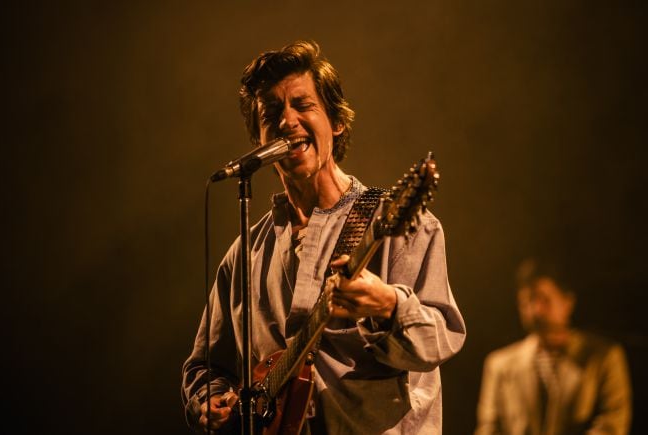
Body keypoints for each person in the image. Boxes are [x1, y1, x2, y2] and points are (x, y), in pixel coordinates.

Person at [181, 40, 466, 434]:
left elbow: (442, 340)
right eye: (272, 112)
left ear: (336, 121)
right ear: (259, 140)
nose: (287, 121)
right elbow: (206, 366)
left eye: (303, 105)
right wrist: (209, 400)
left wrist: (388, 306)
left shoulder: (401, 225)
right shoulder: (243, 255)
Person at [475, 257, 632, 435]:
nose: (535, 310)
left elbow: (612, 424)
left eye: (544, 299)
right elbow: (488, 428)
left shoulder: (604, 357)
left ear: (568, 302)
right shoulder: (499, 364)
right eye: (526, 302)